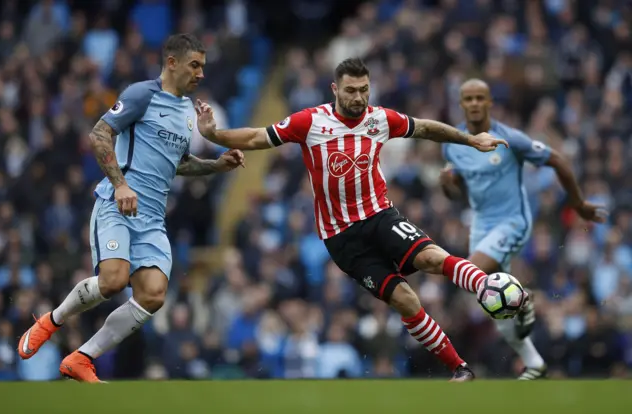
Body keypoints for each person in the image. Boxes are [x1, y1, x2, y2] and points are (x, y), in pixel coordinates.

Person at [196, 57, 520, 382]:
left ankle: (483, 286)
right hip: (343, 240)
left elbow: (424, 127)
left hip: (380, 215)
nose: (358, 97)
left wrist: (470, 139)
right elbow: (255, 138)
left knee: (431, 257)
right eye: (351, 90)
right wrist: (215, 135)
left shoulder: (379, 119)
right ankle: (458, 366)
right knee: (406, 301)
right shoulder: (310, 122)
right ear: (335, 89)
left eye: (364, 90)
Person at [17, 33, 245, 383]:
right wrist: (121, 184)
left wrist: (216, 165)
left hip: (153, 219)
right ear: (172, 63)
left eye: (203, 67)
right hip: (117, 205)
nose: (201, 74)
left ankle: (81, 357)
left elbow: (177, 163)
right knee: (113, 281)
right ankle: (52, 320)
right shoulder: (142, 94)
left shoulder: (188, 111)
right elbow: (99, 134)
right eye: (194, 65)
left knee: (153, 295)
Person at [440, 79, 607, 380]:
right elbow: (458, 190)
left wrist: (579, 203)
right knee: (486, 298)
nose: (475, 103)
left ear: (490, 102)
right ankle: (535, 363)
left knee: (472, 271)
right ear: (461, 104)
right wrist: (448, 185)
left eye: (481, 98)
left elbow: (557, 159)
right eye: (469, 99)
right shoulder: (452, 144)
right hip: (481, 225)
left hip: (512, 220)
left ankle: (523, 297)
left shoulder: (510, 139)